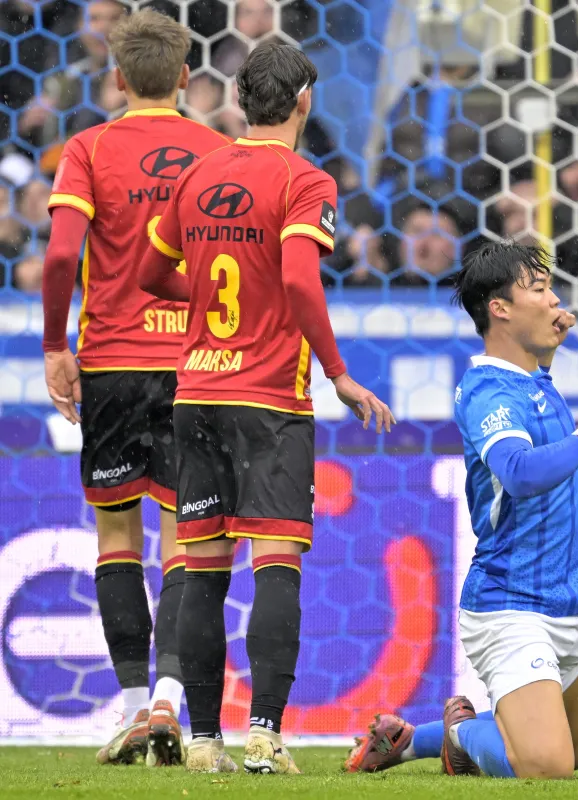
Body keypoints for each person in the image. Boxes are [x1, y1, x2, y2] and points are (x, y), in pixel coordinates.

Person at [138, 41, 394, 775]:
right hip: (269, 397)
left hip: (196, 395)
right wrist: (339, 374)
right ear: (305, 99)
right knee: (275, 565)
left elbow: (151, 272)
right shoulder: (306, 180)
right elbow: (301, 282)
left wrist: (216, 306)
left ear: (244, 99)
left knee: (204, 568)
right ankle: (264, 734)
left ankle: (203, 740)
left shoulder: (197, 174)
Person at [343, 242, 578, 779]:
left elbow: (535, 399)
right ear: (499, 308)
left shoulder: (532, 379)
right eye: (538, 290)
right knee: (546, 765)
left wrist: (547, 353)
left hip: (566, 598)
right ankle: (460, 736)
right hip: (510, 603)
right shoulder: (487, 393)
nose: (554, 301)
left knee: (576, 751)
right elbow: (518, 472)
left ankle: (411, 738)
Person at [40, 9, 231, 769]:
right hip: (196, 364)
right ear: (186, 76)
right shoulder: (218, 151)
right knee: (192, 540)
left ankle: (127, 711)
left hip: (114, 360)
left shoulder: (87, 149)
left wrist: (57, 346)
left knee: (117, 537)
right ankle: (169, 705)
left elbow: (59, 258)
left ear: (117, 78)